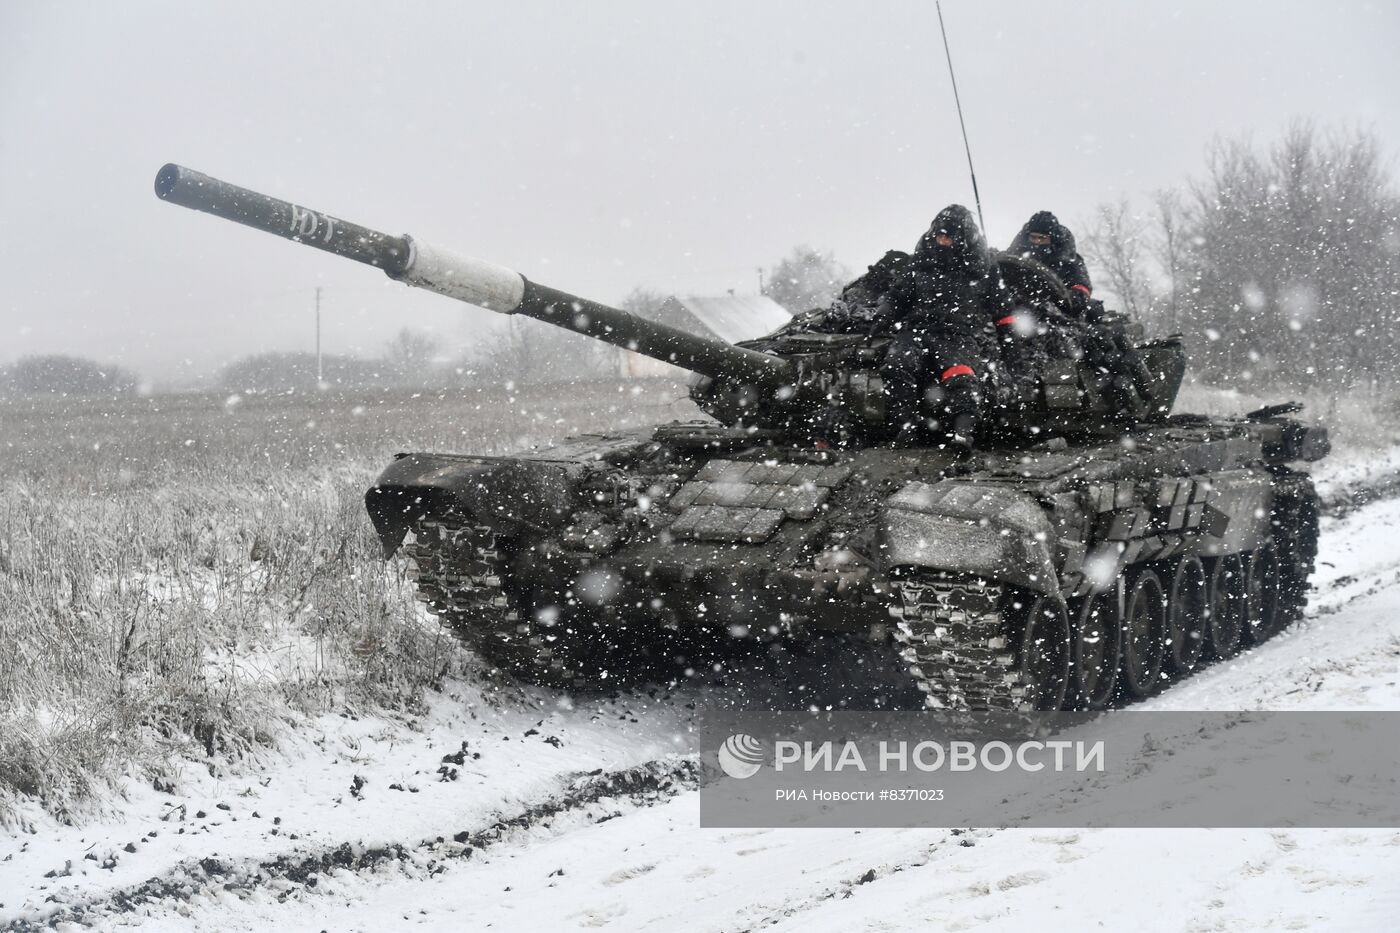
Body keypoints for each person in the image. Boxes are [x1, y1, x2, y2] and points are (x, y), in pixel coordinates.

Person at [881, 204, 1010, 451]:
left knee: (961, 376)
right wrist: (882, 316)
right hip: (916, 329)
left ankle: (963, 434)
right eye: (939, 235)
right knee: (897, 366)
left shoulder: (983, 268)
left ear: (962, 239)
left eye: (948, 237)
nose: (942, 241)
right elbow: (898, 296)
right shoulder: (920, 263)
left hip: (959, 332)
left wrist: (1009, 339)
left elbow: (1002, 307)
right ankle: (905, 428)